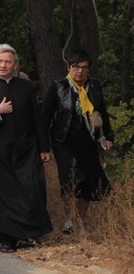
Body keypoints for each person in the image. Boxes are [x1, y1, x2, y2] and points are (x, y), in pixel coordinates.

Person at [0, 44, 53, 253]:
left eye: (8, 62)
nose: (3, 65)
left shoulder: (25, 86)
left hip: (26, 148)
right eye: (0, 61)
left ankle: (32, 233)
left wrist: (44, 148)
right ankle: (7, 239)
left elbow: (36, 118)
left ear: (15, 64)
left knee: (31, 188)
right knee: (2, 195)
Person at [41, 50, 113, 236]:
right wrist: (44, 145)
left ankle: (81, 222)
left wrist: (109, 136)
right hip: (63, 140)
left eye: (84, 67)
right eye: (76, 67)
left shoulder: (94, 86)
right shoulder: (58, 86)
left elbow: (102, 111)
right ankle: (68, 219)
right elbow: (46, 115)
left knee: (88, 180)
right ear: (68, 67)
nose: (80, 71)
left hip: (88, 141)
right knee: (71, 179)